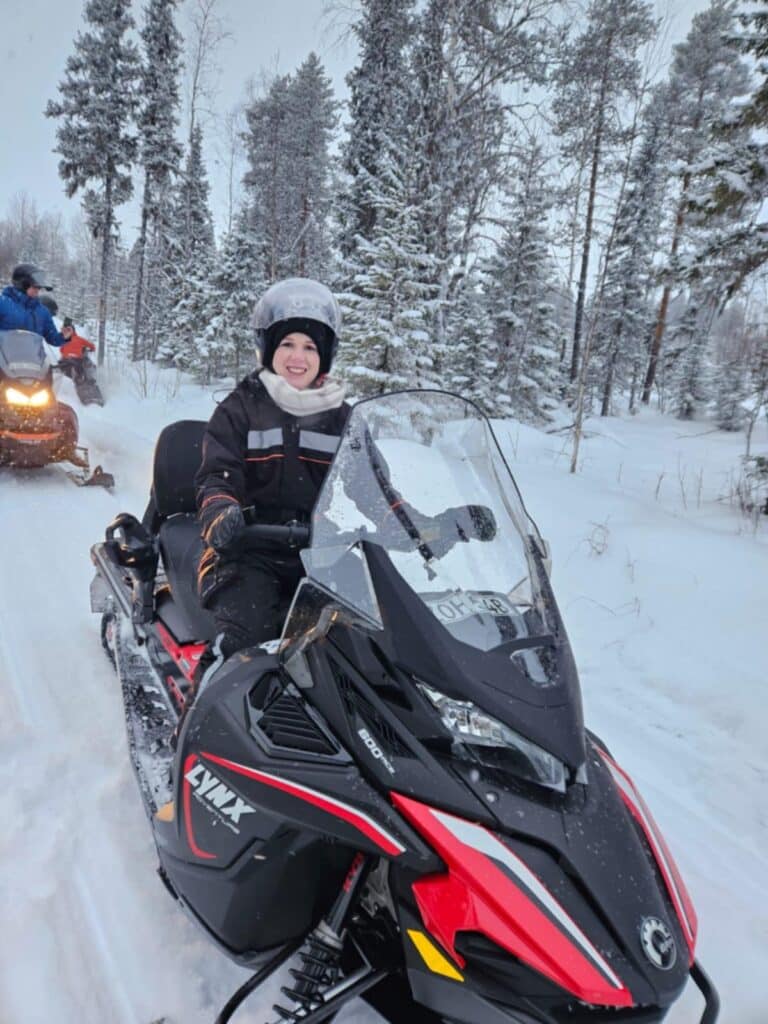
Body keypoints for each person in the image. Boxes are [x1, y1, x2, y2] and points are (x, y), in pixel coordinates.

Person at [193, 277, 350, 687]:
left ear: (325, 355)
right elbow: (217, 475)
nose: (298, 357)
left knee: (362, 644)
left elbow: (373, 488)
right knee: (244, 648)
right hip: (245, 552)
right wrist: (222, 513)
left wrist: (423, 526)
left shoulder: (343, 418)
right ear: (268, 350)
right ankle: (197, 728)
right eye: (287, 345)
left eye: (310, 347)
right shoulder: (240, 408)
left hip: (319, 557)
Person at [0, 264, 73, 348]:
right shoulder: (3, 304)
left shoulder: (42, 311)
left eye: (39, 287)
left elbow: (52, 338)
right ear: (22, 284)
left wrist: (63, 336)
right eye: (35, 287)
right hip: (4, 359)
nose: (38, 290)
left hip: (31, 359)